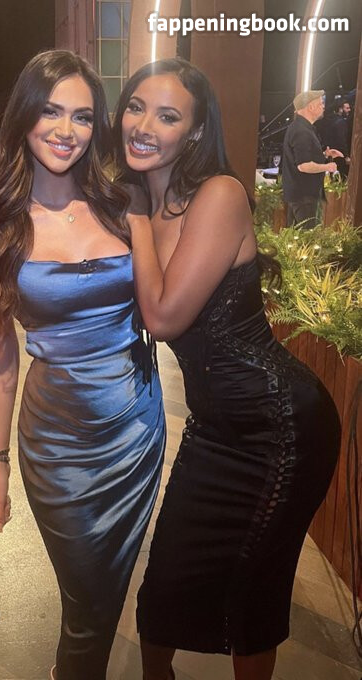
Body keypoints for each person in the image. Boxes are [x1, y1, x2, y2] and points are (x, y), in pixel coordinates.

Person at [112, 58, 341, 680]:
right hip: (213, 427)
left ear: (194, 130)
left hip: (281, 426)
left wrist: (134, 216)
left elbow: (163, 317)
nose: (144, 126)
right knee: (166, 581)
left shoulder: (218, 194)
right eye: (135, 107)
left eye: (167, 116)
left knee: (252, 590)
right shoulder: (134, 199)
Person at [0, 50, 165, 680]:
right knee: (86, 603)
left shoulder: (122, 204)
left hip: (136, 429)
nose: (65, 130)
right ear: (23, 115)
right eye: (50, 111)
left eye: (81, 116)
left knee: (109, 592)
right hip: (56, 445)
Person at [282, 90, 342, 229]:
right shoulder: (302, 131)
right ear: (310, 107)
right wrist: (328, 167)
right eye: (321, 103)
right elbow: (303, 165)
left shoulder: (301, 128)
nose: (323, 106)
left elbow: (303, 157)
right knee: (307, 237)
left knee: (297, 236)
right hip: (304, 195)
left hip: (299, 194)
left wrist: (325, 155)